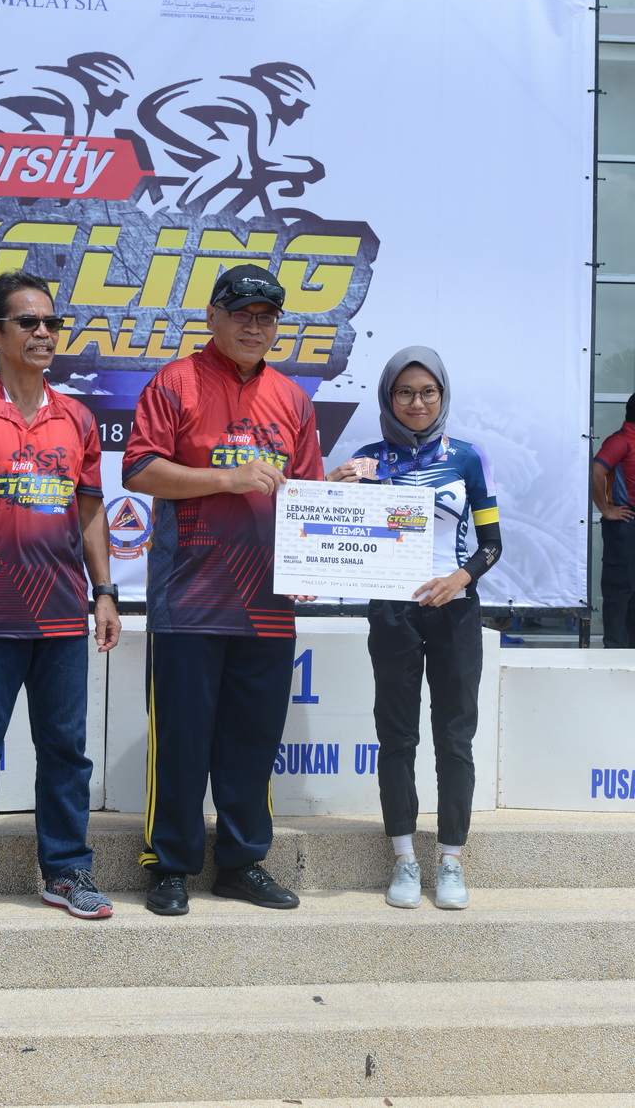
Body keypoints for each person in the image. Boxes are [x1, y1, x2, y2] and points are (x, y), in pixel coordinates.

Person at [122, 263, 324, 916]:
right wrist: (225, 478)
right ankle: (169, 864)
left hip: (268, 604)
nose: (254, 327)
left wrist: (316, 563)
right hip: (189, 598)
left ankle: (241, 863)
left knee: (252, 744)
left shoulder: (293, 399)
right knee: (180, 743)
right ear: (212, 317)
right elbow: (139, 469)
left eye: (267, 317)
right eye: (241, 314)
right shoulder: (174, 382)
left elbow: (307, 496)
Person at [0, 270, 121, 924]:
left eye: (51, 323)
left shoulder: (78, 417)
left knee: (66, 749)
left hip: (62, 614)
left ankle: (66, 871)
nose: (44, 333)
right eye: (28, 322)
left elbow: (89, 512)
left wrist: (105, 593)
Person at [328, 346, 501, 910]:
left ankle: (450, 859)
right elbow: (328, 528)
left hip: (455, 609)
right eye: (404, 392)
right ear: (388, 397)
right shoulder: (367, 459)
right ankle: (403, 857)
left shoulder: (469, 458)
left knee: (455, 737)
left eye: (428, 392)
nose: (417, 402)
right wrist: (332, 485)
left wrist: (460, 577)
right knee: (397, 736)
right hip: (392, 612)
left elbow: (492, 543)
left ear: (442, 396)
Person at [592, 394, 635, 648]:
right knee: (620, 590)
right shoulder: (620, 440)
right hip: (625, 525)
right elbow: (596, 471)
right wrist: (606, 510)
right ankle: (615, 652)